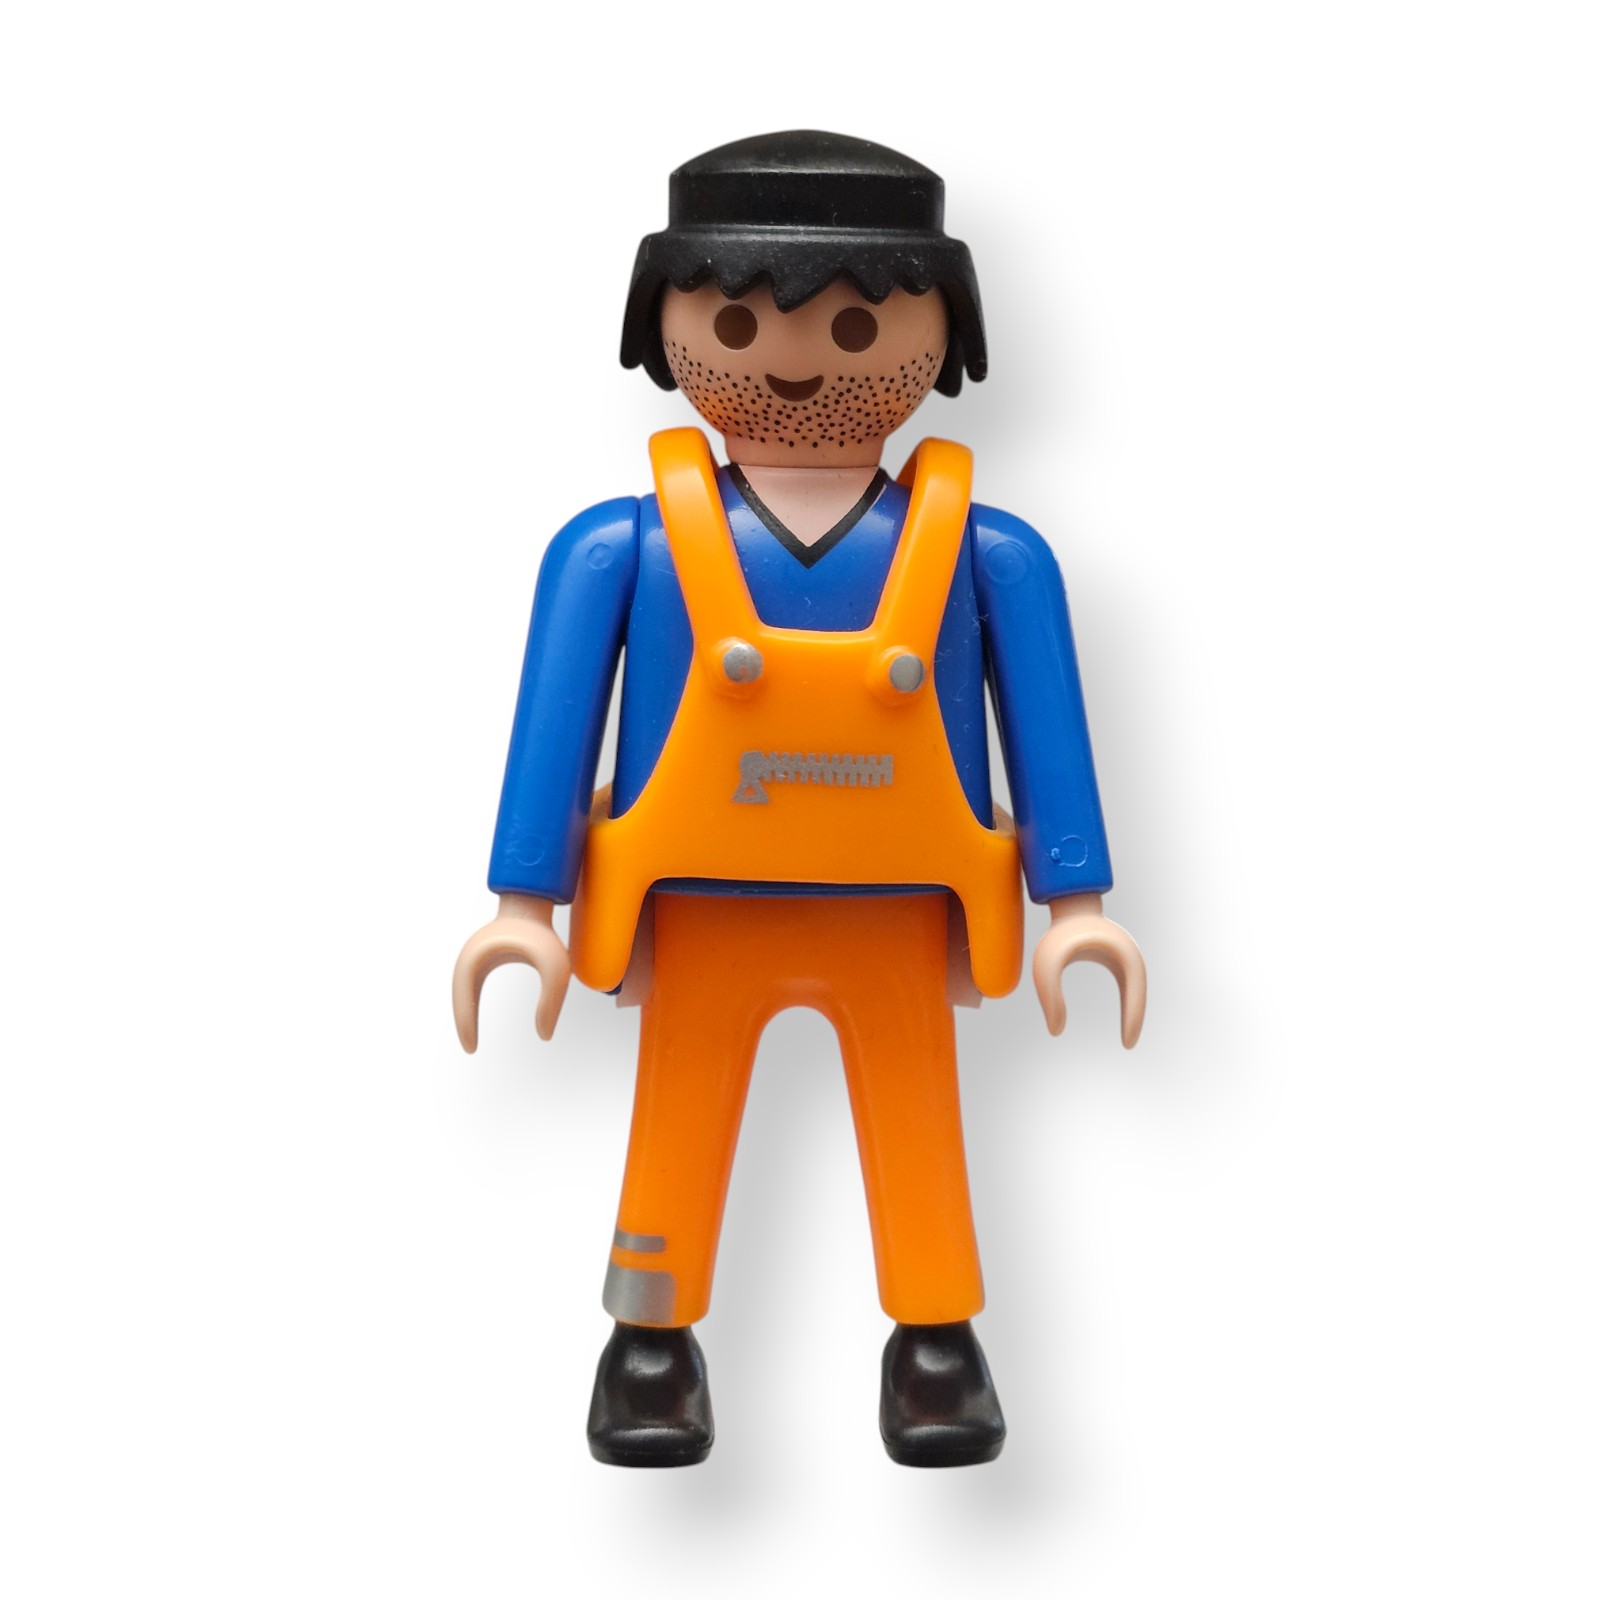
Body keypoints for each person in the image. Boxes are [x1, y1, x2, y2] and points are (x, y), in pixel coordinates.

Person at [452, 130, 1146, 1468]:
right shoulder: (620, 547)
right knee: (677, 1112)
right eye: (733, 321)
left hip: (900, 901)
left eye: (856, 325)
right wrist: (522, 905)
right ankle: (650, 1340)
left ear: (943, 338)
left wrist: (1079, 903)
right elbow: (554, 726)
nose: (795, 360)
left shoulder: (990, 555)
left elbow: (1048, 727)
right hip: (697, 898)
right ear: (666, 331)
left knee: (917, 1114)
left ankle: (935, 1339)